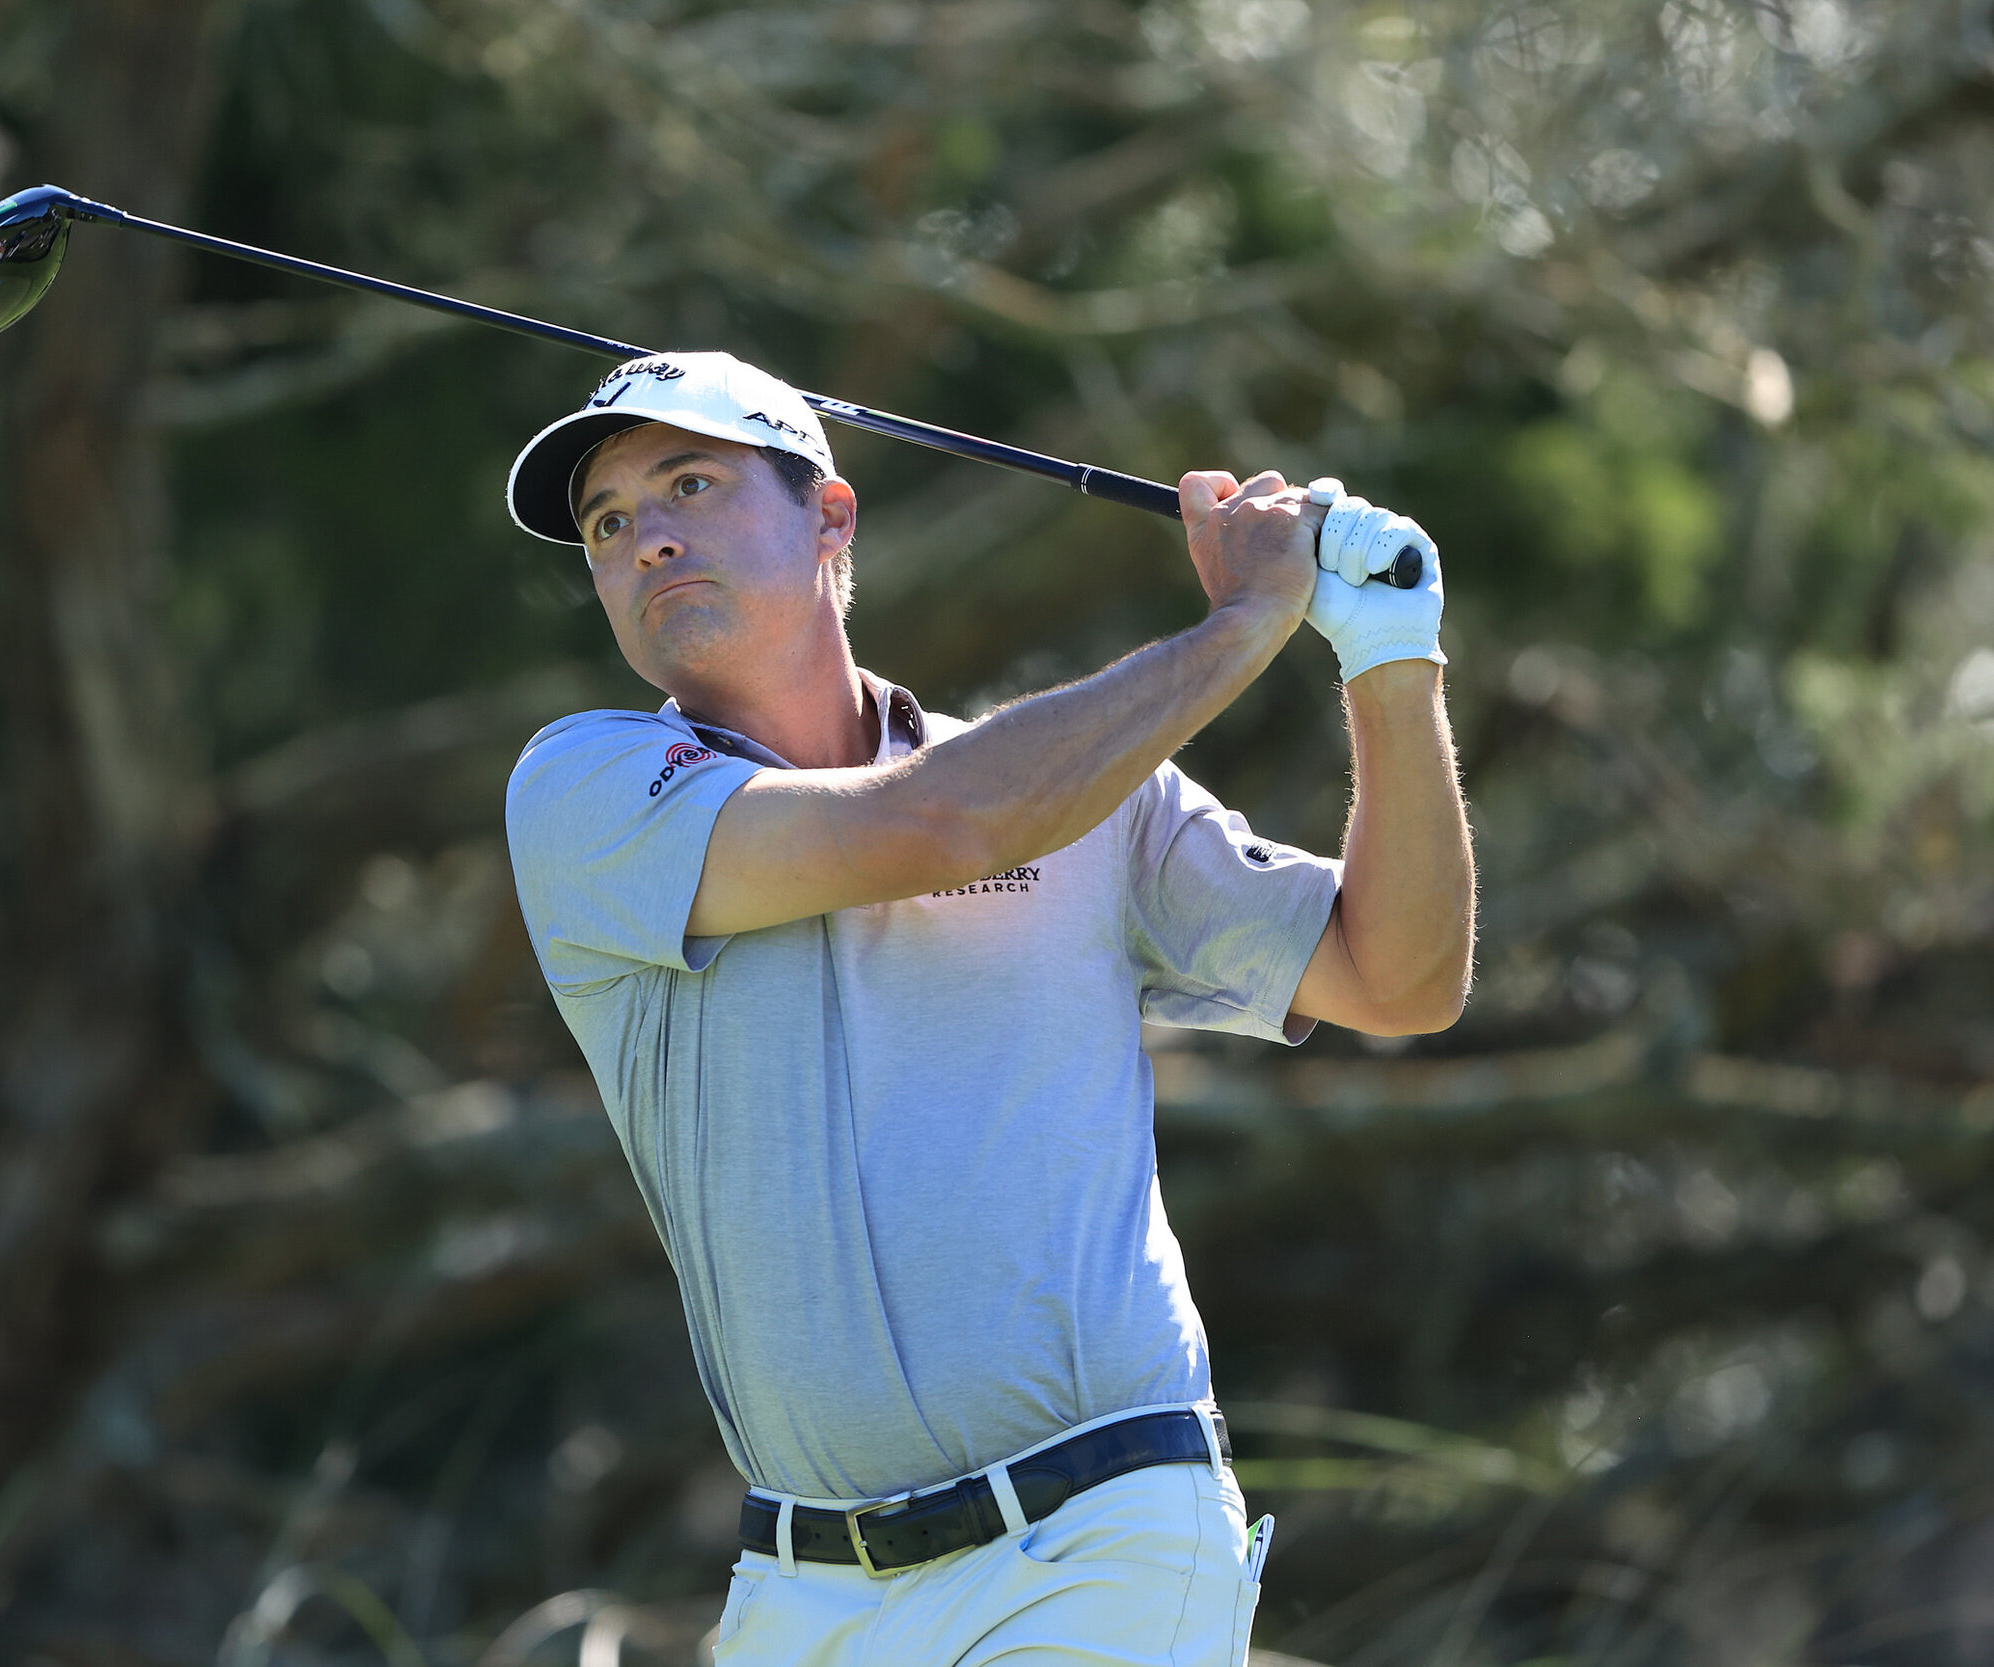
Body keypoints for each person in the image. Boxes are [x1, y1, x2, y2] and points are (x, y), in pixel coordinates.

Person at [501, 351, 1474, 1666]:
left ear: (831, 518)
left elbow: (1400, 977)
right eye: (609, 523)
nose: (649, 535)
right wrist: (1244, 622)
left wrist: (1390, 666)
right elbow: (944, 820)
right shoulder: (586, 792)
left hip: (1102, 1537)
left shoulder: (1097, 796)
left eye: (693, 482)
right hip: (806, 1591)